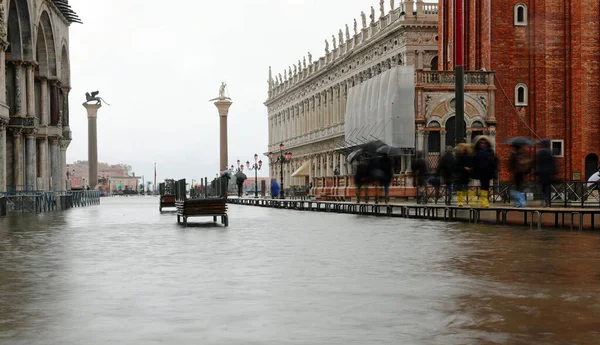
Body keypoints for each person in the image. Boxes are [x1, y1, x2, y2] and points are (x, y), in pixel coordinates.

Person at [472, 136, 498, 208]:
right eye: (481, 143)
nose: (483, 144)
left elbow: (494, 162)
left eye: (484, 143)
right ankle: (484, 201)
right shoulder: (477, 152)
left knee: (485, 186)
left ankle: (484, 201)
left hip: (488, 171)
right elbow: (474, 161)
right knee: (484, 186)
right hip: (480, 171)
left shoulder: (490, 151)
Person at [535, 139, 556, 207]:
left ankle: (546, 201)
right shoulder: (550, 152)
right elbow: (553, 163)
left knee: (543, 190)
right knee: (548, 189)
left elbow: (537, 162)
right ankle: (548, 202)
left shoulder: (540, 152)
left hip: (542, 174)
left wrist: (536, 172)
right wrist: (554, 172)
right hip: (549, 174)